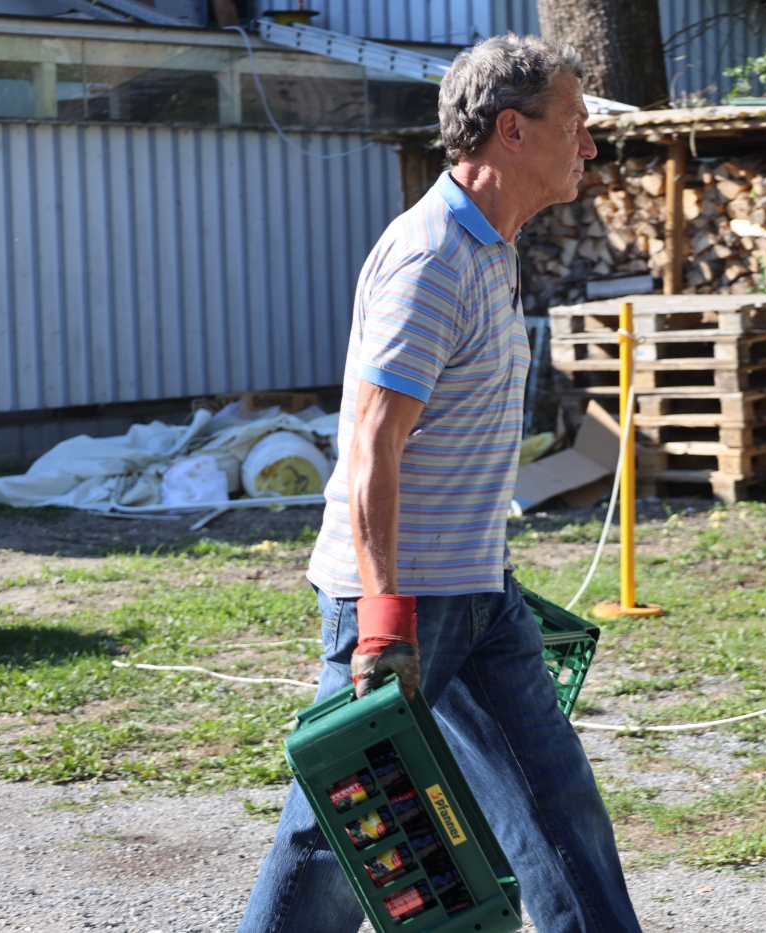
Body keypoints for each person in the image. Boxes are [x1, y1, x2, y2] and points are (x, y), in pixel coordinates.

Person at [236, 33, 643, 933]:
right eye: (574, 123)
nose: (588, 144)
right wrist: (385, 618)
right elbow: (371, 441)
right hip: (402, 600)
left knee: (555, 802)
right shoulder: (432, 257)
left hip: (476, 589)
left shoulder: (490, 244)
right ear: (511, 130)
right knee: (337, 835)